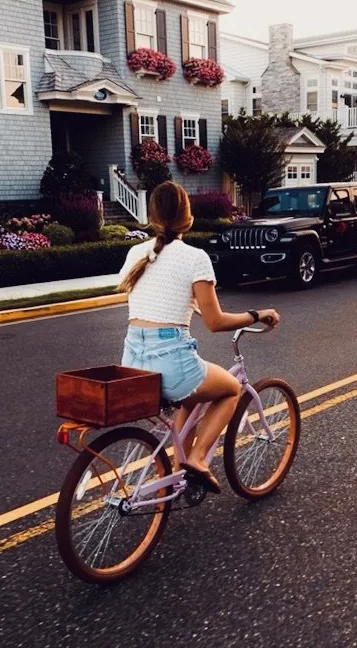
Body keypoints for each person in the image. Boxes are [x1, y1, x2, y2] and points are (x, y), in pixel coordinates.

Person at [117, 181, 279, 494]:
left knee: (191, 399)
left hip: (133, 362)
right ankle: (198, 460)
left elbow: (160, 303)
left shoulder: (137, 253)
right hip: (171, 363)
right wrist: (257, 315)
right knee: (230, 389)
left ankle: (177, 473)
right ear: (188, 216)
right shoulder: (194, 258)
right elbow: (216, 322)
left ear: (151, 215)